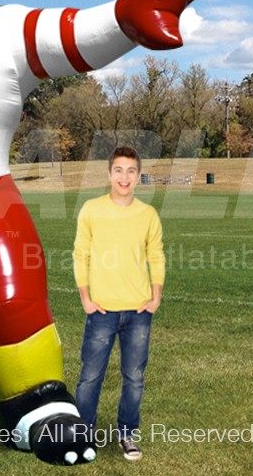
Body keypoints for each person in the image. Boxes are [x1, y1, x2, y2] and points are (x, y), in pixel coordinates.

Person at [72, 146, 165, 461]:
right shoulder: (91, 209)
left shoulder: (147, 214)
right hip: (101, 310)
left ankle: (127, 435)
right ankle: (83, 436)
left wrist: (155, 296)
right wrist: (85, 297)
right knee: (90, 377)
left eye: (130, 171)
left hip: (138, 312)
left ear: (138, 176)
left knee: (134, 378)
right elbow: (80, 254)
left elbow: (156, 255)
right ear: (109, 174)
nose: (124, 177)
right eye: (118, 170)